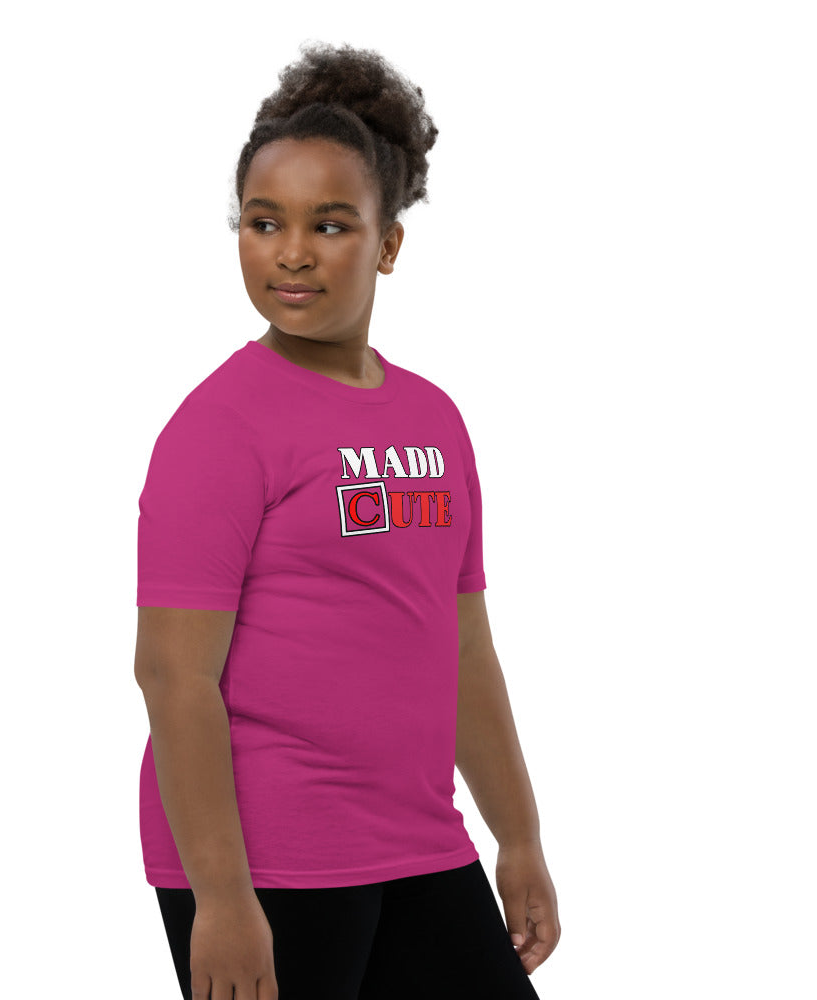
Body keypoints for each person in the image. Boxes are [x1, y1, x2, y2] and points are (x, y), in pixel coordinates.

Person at [134, 41, 560, 1000]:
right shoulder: (219, 428)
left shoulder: (434, 420)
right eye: (263, 222)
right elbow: (173, 675)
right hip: (269, 859)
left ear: (388, 244)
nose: (291, 253)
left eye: (329, 225)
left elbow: (463, 647)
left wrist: (520, 835)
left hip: (420, 843)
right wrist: (222, 898)